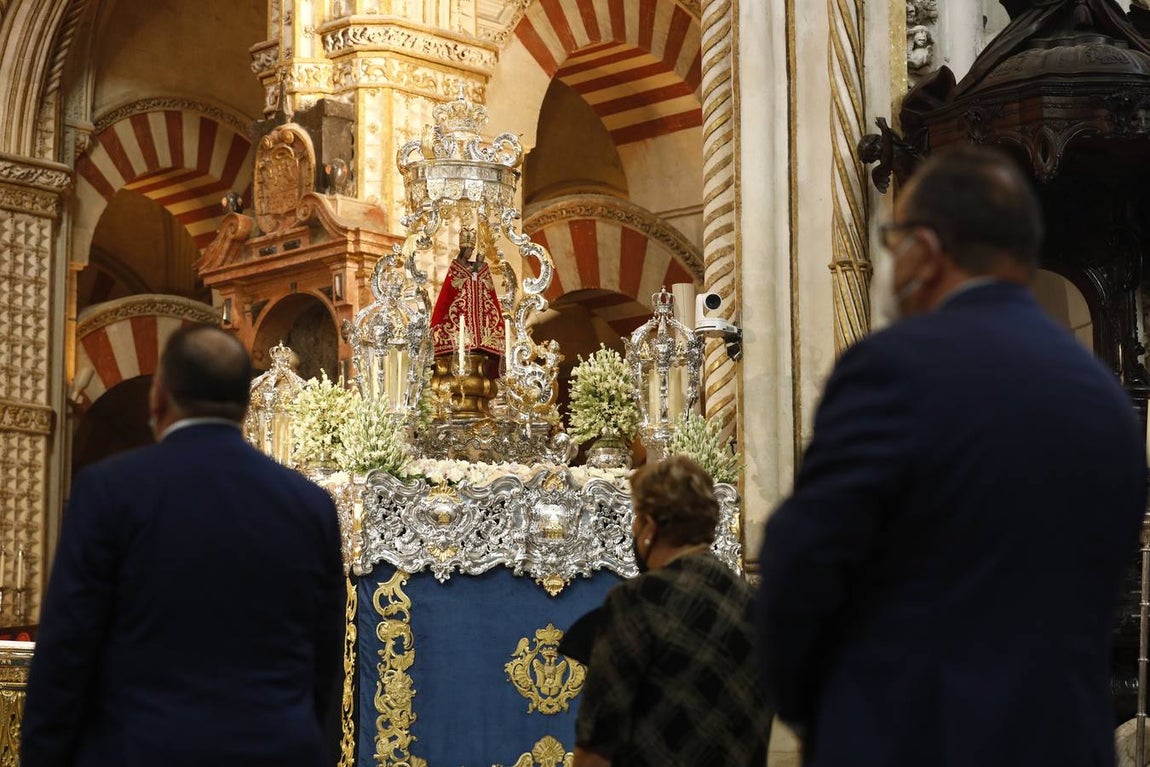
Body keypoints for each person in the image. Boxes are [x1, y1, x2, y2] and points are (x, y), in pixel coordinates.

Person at [758, 146, 1148, 766]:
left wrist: (819, 714)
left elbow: (803, 562)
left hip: (913, 739)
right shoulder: (1108, 401)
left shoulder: (893, 368)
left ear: (925, 248)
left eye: (893, 242)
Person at [23, 325, 346, 767]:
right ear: (244, 404)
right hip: (275, 750)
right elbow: (324, 666)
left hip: (140, 750)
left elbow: (66, 654)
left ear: (158, 397)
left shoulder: (110, 491)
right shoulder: (310, 506)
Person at [573, 456, 773, 767]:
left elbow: (597, 747)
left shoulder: (637, 600)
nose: (634, 528)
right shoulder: (755, 605)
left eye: (636, 518)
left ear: (650, 527)